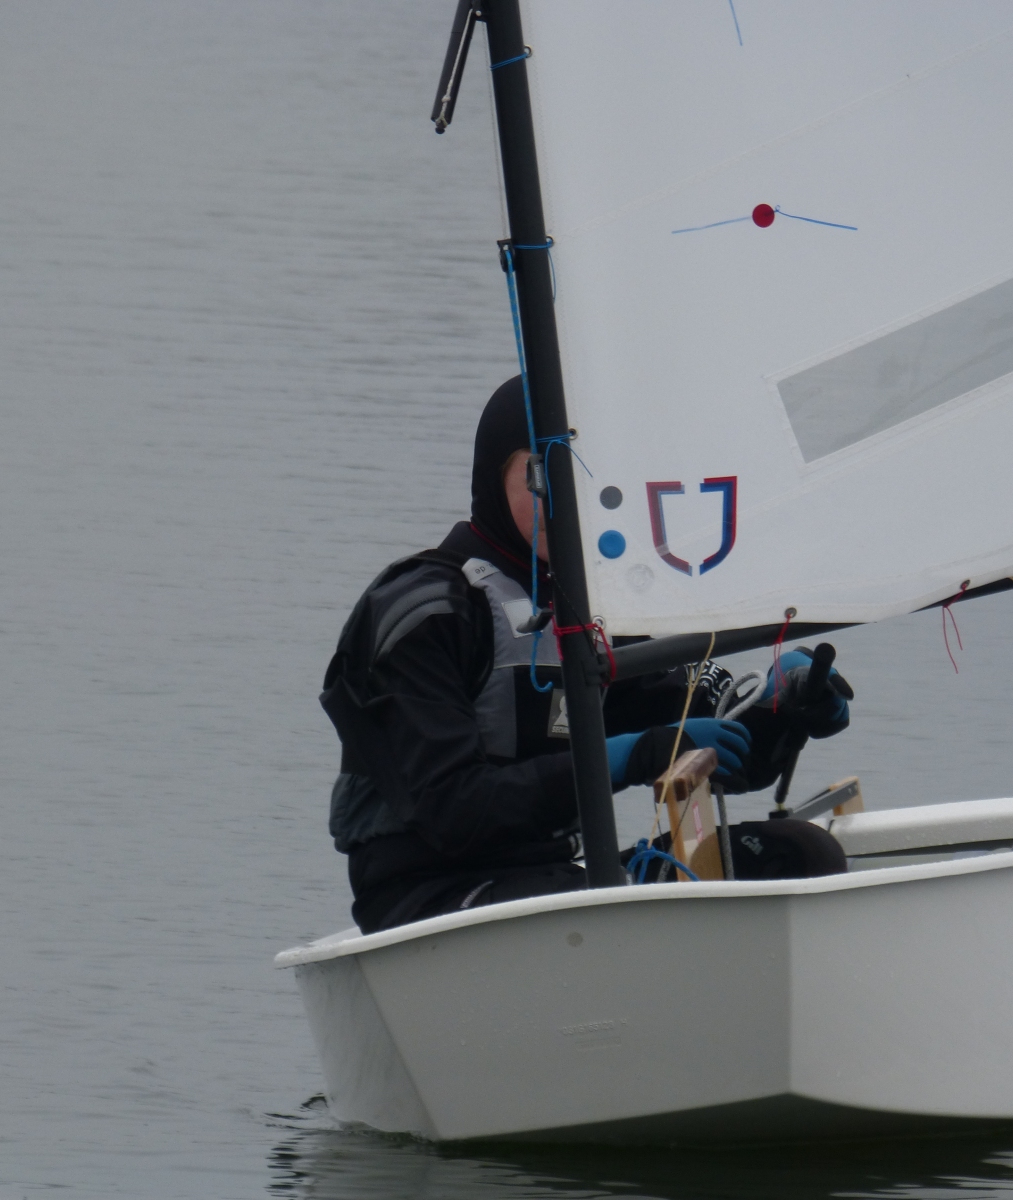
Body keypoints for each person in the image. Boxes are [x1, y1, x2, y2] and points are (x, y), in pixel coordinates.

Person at [320, 378, 854, 934]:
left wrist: (784, 708)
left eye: (584, 477)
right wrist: (628, 756)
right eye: (541, 475)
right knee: (594, 906)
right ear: (493, 476)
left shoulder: (587, 612)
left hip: (553, 878)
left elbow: (722, 750)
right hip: (429, 900)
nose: (565, 499)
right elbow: (451, 811)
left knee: (801, 856)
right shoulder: (426, 613)